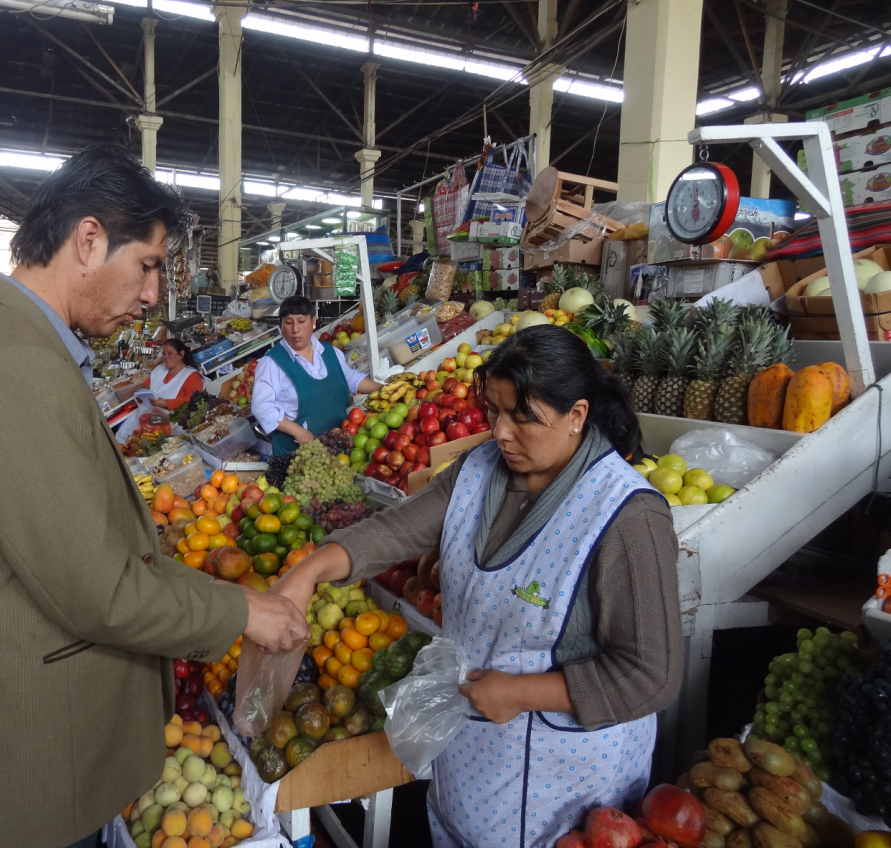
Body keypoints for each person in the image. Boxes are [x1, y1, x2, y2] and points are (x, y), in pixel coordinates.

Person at [0, 144, 308, 848]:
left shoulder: (9, 338)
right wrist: (239, 609)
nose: (150, 296)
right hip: (21, 769)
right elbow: (98, 591)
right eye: (148, 266)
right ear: (88, 239)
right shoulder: (15, 366)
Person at [273, 325, 683, 847]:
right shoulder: (478, 471)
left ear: (577, 416)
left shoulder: (627, 517)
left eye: (523, 418)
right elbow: (397, 528)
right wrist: (307, 571)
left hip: (567, 799)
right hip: (471, 767)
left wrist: (522, 692)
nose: (500, 433)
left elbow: (650, 675)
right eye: (494, 410)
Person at [251, 296, 383, 454]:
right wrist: (298, 432)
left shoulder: (330, 352)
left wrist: (384, 389)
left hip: (338, 445)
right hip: (297, 453)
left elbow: (353, 380)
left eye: (301, 321)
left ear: (313, 321)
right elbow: (262, 408)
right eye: (288, 322)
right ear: (281, 325)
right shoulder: (271, 363)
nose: (295, 329)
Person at [143, 337, 204, 410]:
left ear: (181, 354)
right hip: (147, 414)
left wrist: (166, 404)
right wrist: (142, 388)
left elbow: (193, 400)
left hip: (172, 419)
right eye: (164, 353)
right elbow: (146, 385)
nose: (166, 357)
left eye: (169, 353)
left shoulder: (192, 376)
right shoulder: (159, 369)